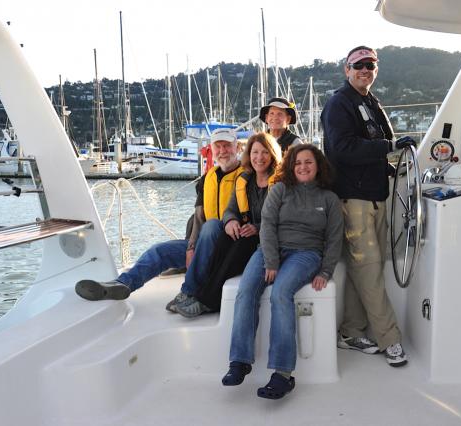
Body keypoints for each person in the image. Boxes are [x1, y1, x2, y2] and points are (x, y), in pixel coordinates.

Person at [221, 144, 343, 400]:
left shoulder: (329, 199)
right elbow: (266, 226)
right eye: (298, 163)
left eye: (308, 162)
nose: (303, 167)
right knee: (246, 290)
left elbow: (334, 239)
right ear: (290, 166)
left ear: (318, 165)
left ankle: (283, 375)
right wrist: (272, 261)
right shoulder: (280, 190)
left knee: (281, 293)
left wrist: (326, 270)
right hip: (270, 250)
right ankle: (239, 361)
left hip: (306, 254)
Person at [320, 46, 415, 367]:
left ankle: (350, 331)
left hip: (376, 195)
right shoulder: (339, 104)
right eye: (358, 65)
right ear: (346, 70)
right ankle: (390, 338)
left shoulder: (371, 103)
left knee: (365, 269)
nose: (365, 69)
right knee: (371, 269)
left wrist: (390, 167)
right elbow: (343, 148)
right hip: (353, 200)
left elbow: (375, 150)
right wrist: (389, 147)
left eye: (370, 64)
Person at [75, 128, 243, 304]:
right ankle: (121, 284)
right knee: (159, 252)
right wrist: (191, 247)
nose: (223, 151)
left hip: (229, 249)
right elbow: (199, 218)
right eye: (218, 146)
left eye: (227, 146)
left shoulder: (246, 176)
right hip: (204, 246)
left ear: (237, 147)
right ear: (212, 149)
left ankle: (191, 294)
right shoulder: (207, 178)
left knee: (213, 225)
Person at [175, 132, 282, 317]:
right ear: (248, 154)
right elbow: (230, 209)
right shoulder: (245, 180)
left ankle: (208, 301)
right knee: (224, 238)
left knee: (239, 244)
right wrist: (230, 221)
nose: (259, 158)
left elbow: (284, 218)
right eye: (255, 152)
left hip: (269, 237)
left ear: (273, 155)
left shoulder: (280, 182)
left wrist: (256, 227)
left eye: (265, 152)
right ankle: (195, 293)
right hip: (247, 232)